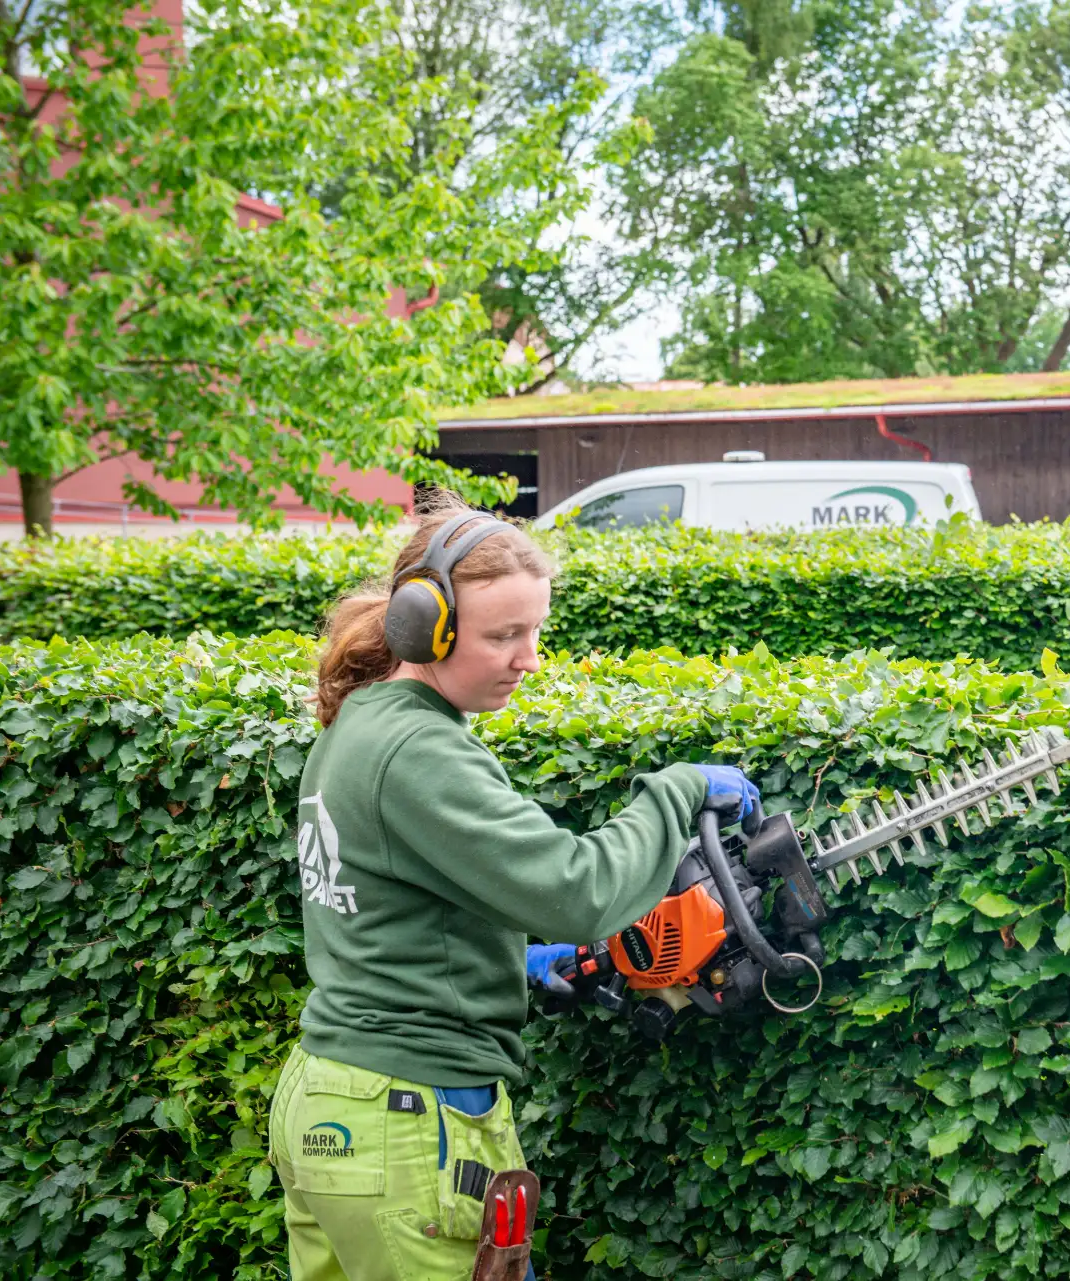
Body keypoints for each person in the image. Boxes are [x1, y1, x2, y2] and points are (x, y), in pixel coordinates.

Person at [267, 500, 762, 1281]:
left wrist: (511, 962)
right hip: (409, 1120)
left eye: (535, 632)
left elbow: (390, 903)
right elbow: (579, 890)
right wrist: (675, 791)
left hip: (333, 1100)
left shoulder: (362, 721)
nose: (529, 658)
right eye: (504, 635)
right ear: (421, 626)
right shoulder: (417, 750)